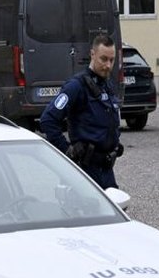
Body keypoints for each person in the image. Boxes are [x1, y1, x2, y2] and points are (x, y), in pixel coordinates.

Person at [39, 34, 124, 189]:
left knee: (116, 210)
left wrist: (115, 142)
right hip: (85, 170)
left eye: (112, 60)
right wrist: (66, 151)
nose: (108, 66)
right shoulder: (76, 86)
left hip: (106, 169)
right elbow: (48, 121)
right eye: (103, 59)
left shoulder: (108, 85)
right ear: (92, 54)